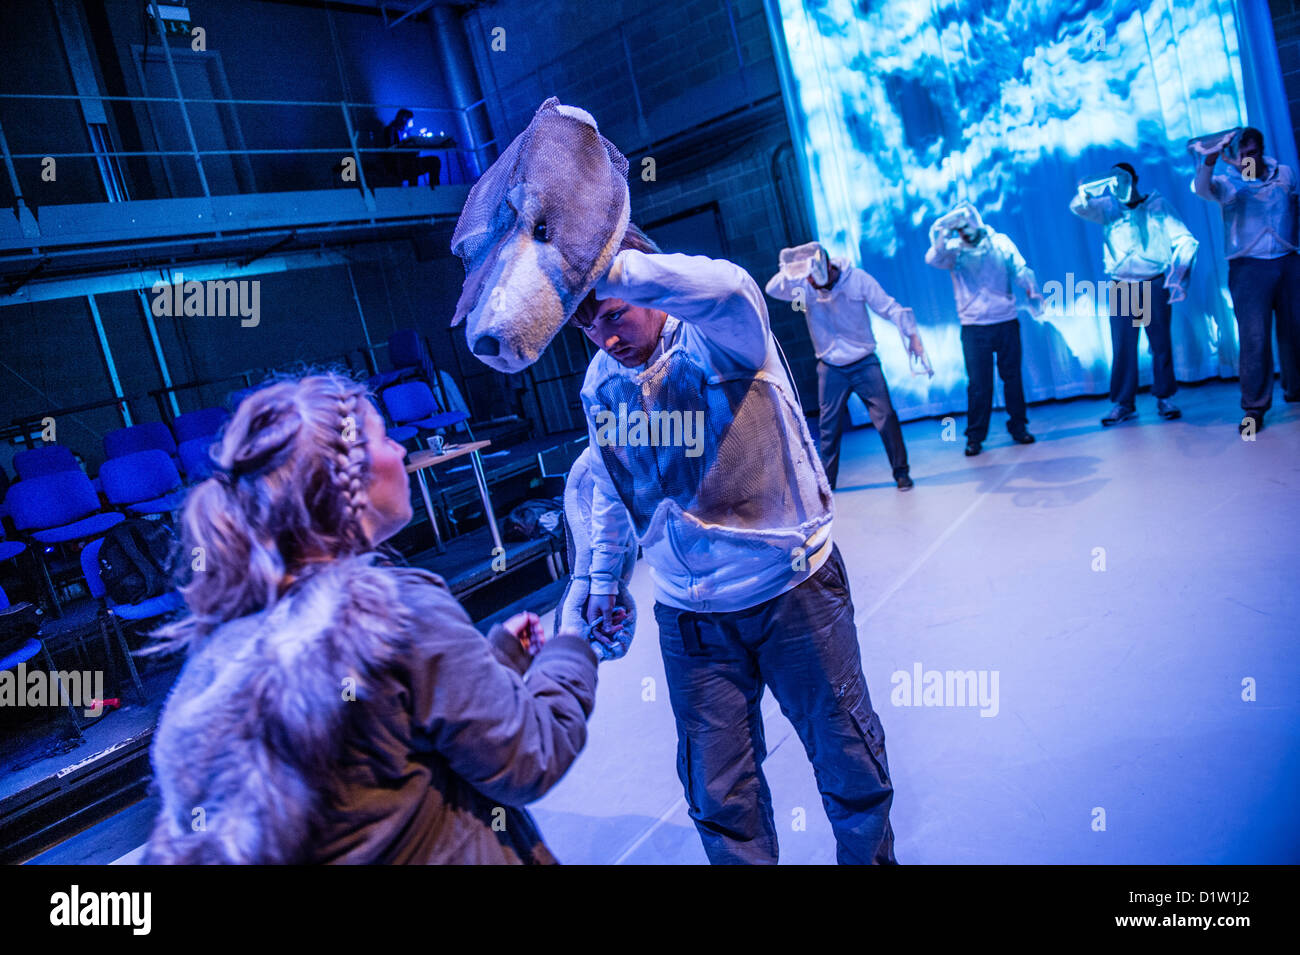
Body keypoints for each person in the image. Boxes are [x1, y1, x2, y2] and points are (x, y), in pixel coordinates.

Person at [142, 372, 597, 864]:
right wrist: (569, 650)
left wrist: (497, 662)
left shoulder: (228, 650)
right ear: (345, 479)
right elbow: (529, 755)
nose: (402, 452)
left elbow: (383, 741)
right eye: (384, 438)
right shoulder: (390, 610)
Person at [570, 224, 897, 865]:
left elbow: (730, 285)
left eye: (616, 313)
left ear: (654, 286)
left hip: (792, 592)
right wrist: (604, 578)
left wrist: (602, 263)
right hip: (689, 617)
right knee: (719, 795)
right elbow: (611, 483)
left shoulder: (723, 335)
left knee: (848, 763)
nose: (607, 337)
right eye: (587, 325)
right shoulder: (599, 382)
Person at [765, 242, 929, 491]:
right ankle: (826, 484)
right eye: (807, 278)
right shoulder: (804, 286)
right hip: (830, 366)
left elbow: (889, 307)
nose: (811, 284)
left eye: (814, 277)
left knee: (885, 418)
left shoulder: (857, 279)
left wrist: (912, 335)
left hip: (864, 362)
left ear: (828, 267)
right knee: (828, 428)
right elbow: (773, 289)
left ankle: (901, 473)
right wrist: (792, 270)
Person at [1070, 163, 1197, 426]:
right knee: (1123, 346)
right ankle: (1123, 403)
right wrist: (1088, 188)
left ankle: (1164, 397)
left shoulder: (1157, 205)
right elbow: (1079, 207)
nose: (1119, 185)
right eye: (1114, 180)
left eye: (1123, 179)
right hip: (1122, 285)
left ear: (1135, 179)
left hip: (1153, 281)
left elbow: (1184, 238)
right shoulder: (1107, 208)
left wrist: (1178, 274)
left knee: (1160, 343)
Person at [1192, 126, 1300, 433]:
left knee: (1295, 330)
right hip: (1249, 268)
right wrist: (1211, 161)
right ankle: (1254, 408)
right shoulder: (1229, 183)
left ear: (1260, 150)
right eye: (1242, 155)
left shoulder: (1285, 173)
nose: (1248, 159)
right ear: (1234, 156)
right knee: (1254, 338)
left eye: (1252, 153)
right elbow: (1202, 189)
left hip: (1288, 260)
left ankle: (1295, 389)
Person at [925, 202, 1044, 456]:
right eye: (959, 229)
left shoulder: (999, 242)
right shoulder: (954, 251)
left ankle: (1019, 427)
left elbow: (1019, 268)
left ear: (976, 222)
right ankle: (975, 436)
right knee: (979, 384)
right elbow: (932, 258)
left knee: (1012, 378)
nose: (964, 233)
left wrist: (1031, 287)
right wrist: (943, 233)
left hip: (1005, 320)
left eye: (967, 226)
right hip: (974, 326)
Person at [383, 108, 441, 187]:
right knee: (415, 165)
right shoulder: (391, 130)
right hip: (398, 165)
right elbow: (390, 148)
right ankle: (415, 190)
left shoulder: (405, 132)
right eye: (411, 120)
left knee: (434, 160)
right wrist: (405, 145)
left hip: (407, 162)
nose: (412, 123)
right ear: (405, 119)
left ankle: (434, 188)